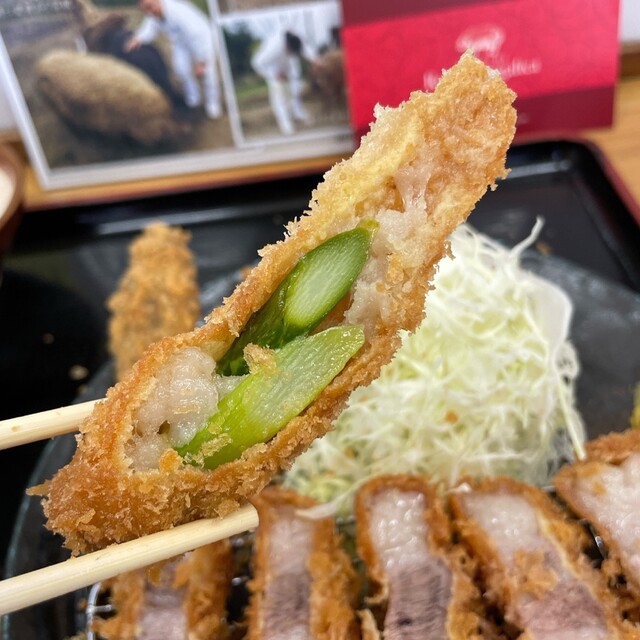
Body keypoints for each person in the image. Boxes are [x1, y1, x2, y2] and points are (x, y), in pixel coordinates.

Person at [125, 0, 222, 119]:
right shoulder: (154, 14)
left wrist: (201, 62)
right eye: (145, 10)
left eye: (150, 7)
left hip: (202, 39)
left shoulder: (178, 12)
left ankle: (213, 104)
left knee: (208, 73)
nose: (149, 13)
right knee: (181, 69)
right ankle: (193, 97)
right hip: (180, 42)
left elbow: (198, 35)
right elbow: (149, 27)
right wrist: (138, 39)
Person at [251, 30, 313, 135]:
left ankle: (298, 113)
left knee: (295, 89)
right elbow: (256, 63)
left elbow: (305, 50)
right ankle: (286, 125)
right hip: (272, 69)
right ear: (287, 47)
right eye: (292, 52)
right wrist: (274, 75)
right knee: (279, 97)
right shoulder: (272, 49)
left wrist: (315, 60)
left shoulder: (295, 40)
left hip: (287, 66)